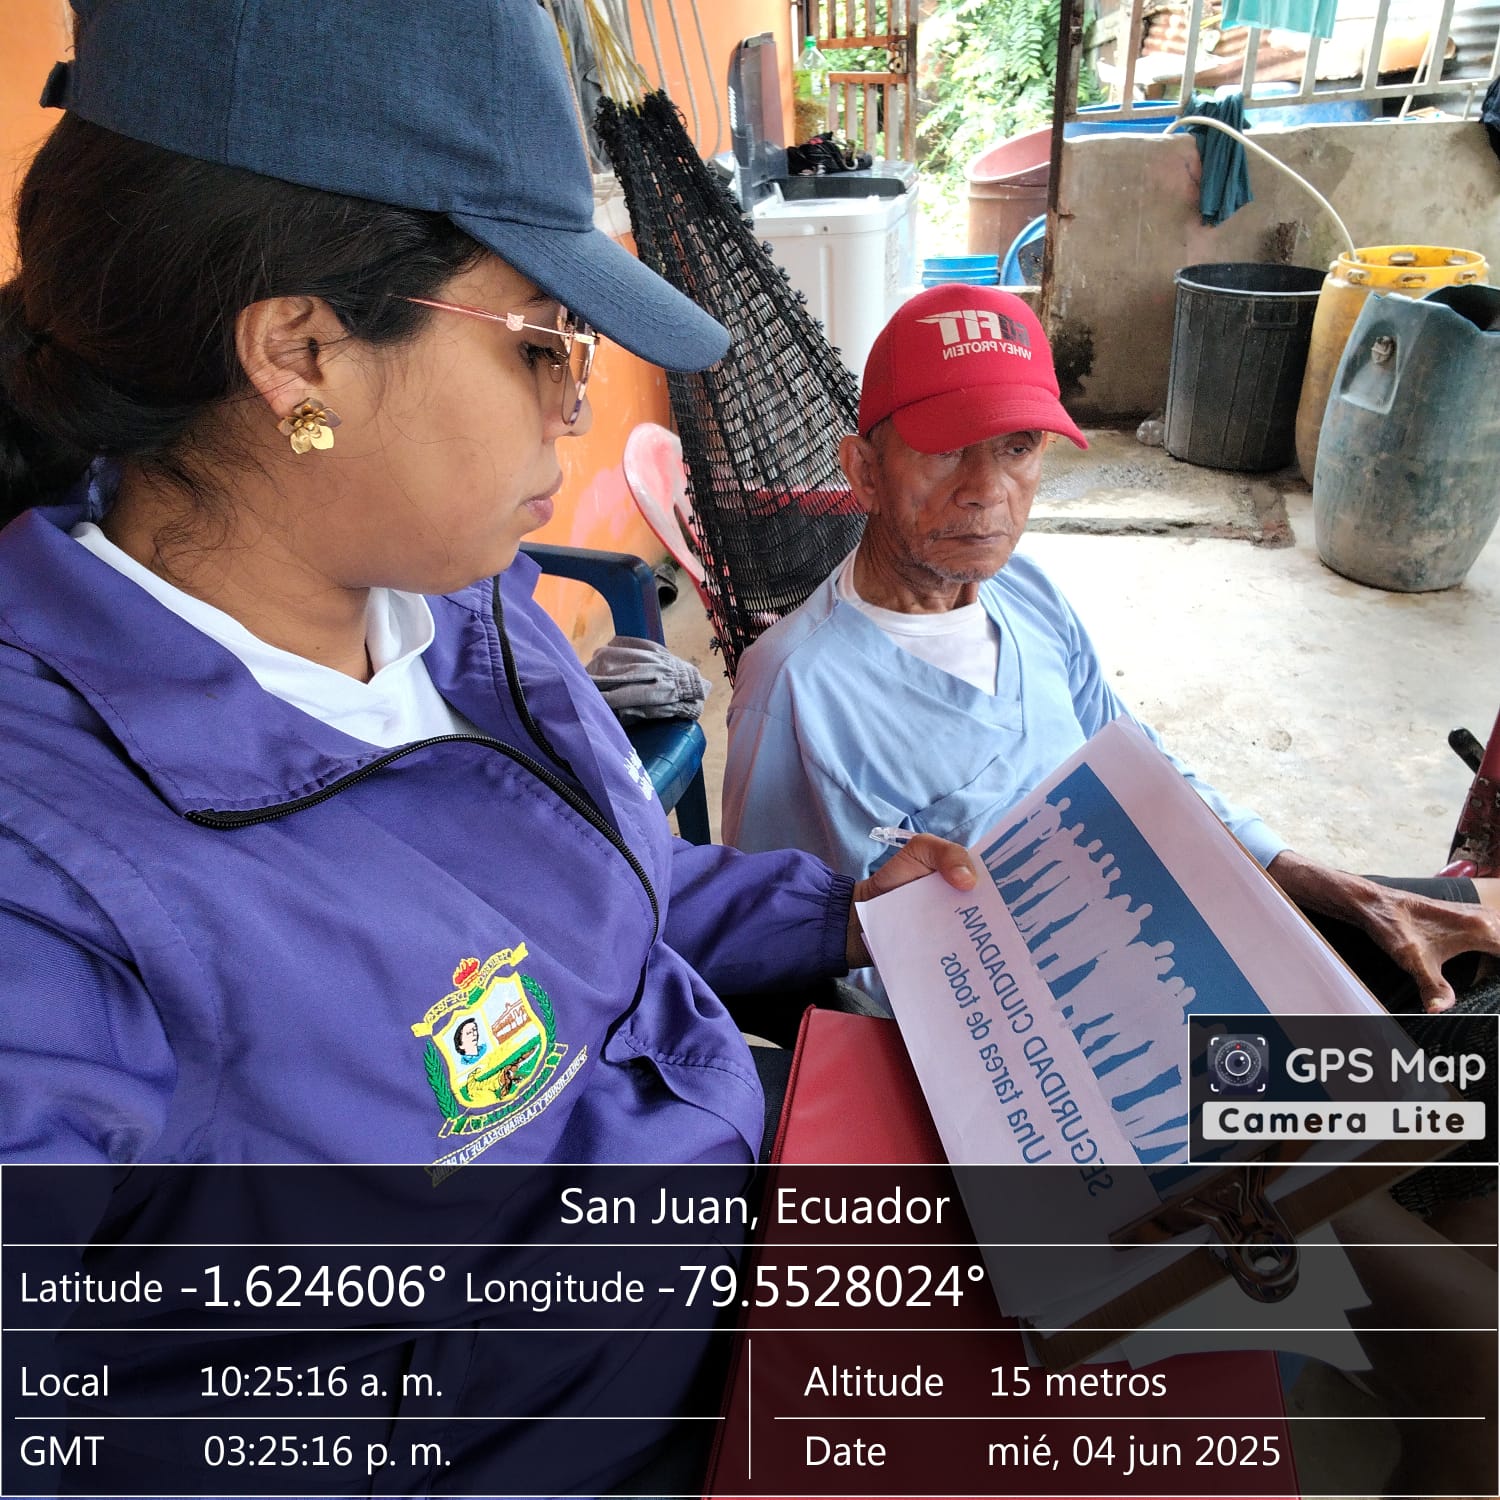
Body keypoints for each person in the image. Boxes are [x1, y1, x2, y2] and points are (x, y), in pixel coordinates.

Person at [0, 5, 977, 1493]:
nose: (575, 404)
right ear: (300, 353)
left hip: (766, 1205)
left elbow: (592, 897)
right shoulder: (48, 885)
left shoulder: (457, 603)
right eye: (538, 340)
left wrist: (840, 912)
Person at [723, 285, 1500, 1014]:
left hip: (1155, 912)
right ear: (862, 471)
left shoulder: (1024, 592)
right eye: (944, 449)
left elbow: (1138, 766)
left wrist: (1340, 889)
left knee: (1473, 932)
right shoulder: (795, 689)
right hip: (1042, 1027)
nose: (986, 490)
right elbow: (795, 957)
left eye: (1018, 447)